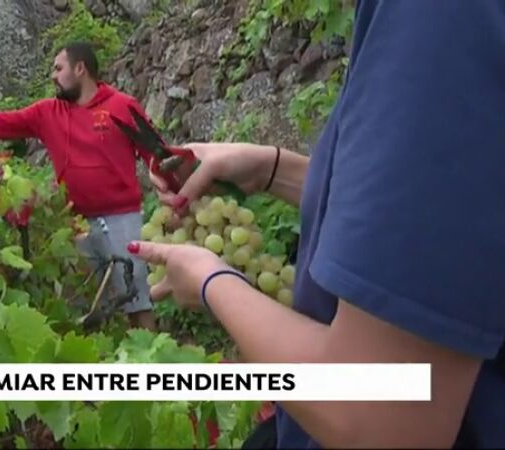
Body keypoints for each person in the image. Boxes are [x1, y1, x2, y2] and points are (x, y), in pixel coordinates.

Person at [128, 1, 505, 448]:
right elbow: (431, 211)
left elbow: (380, 417)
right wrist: (272, 170)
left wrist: (212, 283)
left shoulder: (434, 15)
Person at [0, 41, 158, 331]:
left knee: (138, 300)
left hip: (122, 218)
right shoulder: (47, 113)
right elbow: (0, 123)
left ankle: (151, 354)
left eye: (58, 68)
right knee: (80, 307)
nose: (53, 76)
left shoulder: (122, 106)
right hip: (74, 225)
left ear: (80, 68)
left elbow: (156, 154)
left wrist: (174, 191)